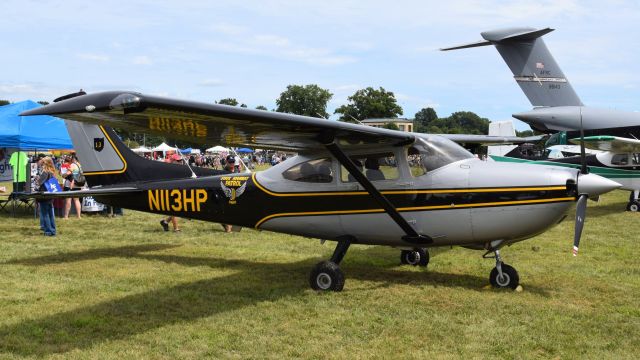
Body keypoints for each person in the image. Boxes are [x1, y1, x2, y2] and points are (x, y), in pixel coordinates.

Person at [159, 153, 182, 232]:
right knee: (174, 209)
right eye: (178, 160)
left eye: (180, 160)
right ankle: (176, 229)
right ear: (173, 160)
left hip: (175, 189)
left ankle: (165, 222)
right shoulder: (167, 166)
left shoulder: (175, 168)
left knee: (178, 210)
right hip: (168, 189)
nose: (180, 162)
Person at [36, 157, 58, 236]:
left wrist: (37, 179)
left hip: (44, 194)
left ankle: (48, 231)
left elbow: (39, 182)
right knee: (50, 214)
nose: (41, 164)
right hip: (51, 194)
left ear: (45, 163)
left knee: (45, 213)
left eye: (42, 163)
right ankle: (53, 230)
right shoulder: (52, 172)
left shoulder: (45, 172)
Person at [221, 155, 239, 233]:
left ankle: (229, 226)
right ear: (227, 162)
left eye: (233, 162)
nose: (232, 164)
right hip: (227, 192)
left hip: (235, 192)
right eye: (230, 162)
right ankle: (228, 229)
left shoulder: (236, 170)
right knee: (228, 210)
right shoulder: (224, 171)